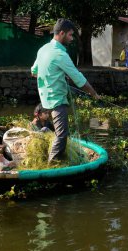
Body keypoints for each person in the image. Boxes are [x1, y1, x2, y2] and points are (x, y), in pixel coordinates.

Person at [31, 18, 100, 163]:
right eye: (70, 35)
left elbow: (34, 71)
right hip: (57, 100)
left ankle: (53, 156)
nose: (72, 38)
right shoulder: (60, 54)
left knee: (57, 131)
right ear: (61, 33)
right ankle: (53, 163)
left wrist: (53, 75)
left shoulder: (43, 49)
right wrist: (93, 94)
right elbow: (79, 80)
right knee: (62, 135)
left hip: (45, 99)